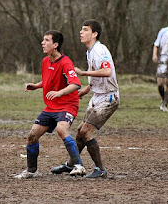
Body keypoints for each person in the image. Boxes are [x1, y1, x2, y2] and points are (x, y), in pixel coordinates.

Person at [51, 19, 120, 178]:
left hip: (108, 98)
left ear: (94, 34)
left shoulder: (99, 50)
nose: (81, 33)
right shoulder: (90, 51)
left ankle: (100, 170)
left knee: (86, 131)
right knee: (80, 131)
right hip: (98, 96)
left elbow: (107, 72)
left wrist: (82, 73)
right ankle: (71, 164)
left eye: (85, 30)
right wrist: (86, 90)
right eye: (81, 30)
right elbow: (99, 77)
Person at [14, 30, 86, 179]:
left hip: (67, 105)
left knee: (61, 129)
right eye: (43, 40)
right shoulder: (45, 61)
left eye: (46, 40)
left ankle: (79, 165)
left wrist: (60, 93)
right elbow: (49, 80)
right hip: (51, 107)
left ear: (55, 44)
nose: (43, 42)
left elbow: (76, 84)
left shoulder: (66, 63)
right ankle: (31, 171)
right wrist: (36, 85)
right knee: (32, 136)